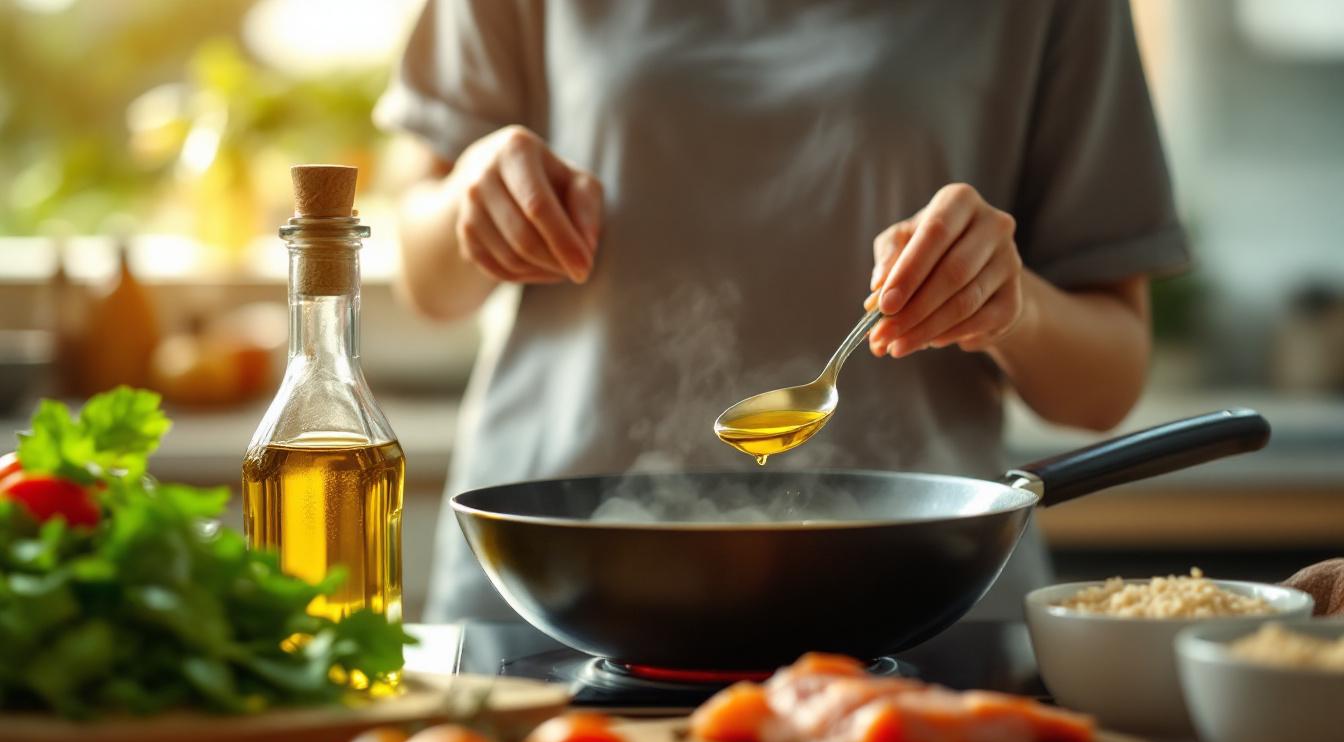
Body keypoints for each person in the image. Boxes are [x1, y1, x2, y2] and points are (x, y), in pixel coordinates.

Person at [375, 0, 1188, 623]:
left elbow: (1105, 385)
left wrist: (1012, 307)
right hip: (554, 587)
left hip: (912, 598)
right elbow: (427, 281)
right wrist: (468, 201)